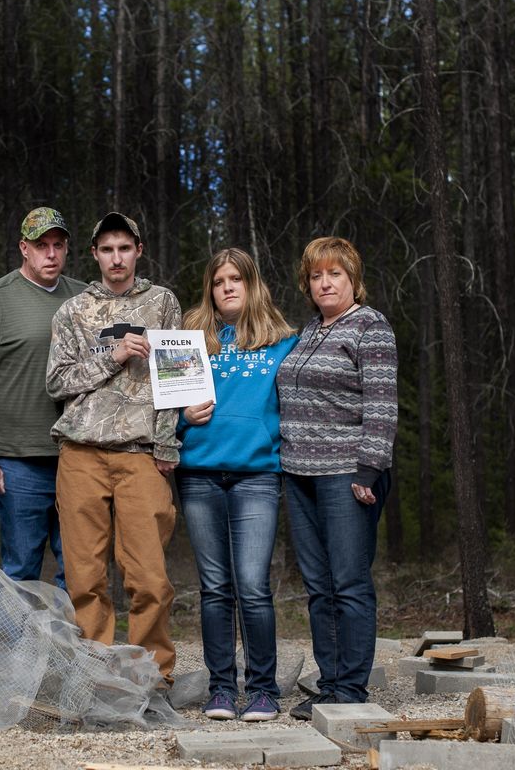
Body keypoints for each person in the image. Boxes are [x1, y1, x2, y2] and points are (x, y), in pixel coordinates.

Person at [46, 211, 182, 682]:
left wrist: (167, 443)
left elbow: (175, 378)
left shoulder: (162, 302)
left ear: (138, 251)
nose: (116, 257)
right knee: (84, 576)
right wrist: (115, 355)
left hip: (140, 454)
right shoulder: (73, 310)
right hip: (81, 453)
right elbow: (57, 380)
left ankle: (154, 675)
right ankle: (93, 676)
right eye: (107, 249)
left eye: (125, 248)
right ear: (95, 255)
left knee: (148, 575)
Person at [276, 236, 398, 719]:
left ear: (353, 279)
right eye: (316, 275)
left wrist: (370, 467)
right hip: (299, 474)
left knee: (348, 582)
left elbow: (382, 403)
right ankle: (329, 686)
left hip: (348, 474)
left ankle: (351, 690)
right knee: (319, 585)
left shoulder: (371, 327)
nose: (325, 282)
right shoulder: (310, 330)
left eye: (335, 274)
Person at [176, 248, 298, 722]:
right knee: (214, 587)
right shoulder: (189, 342)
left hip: (256, 477)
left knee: (252, 586)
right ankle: (221, 688)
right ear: (209, 289)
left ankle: (263, 690)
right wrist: (183, 421)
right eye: (218, 280)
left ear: (252, 285)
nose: (227, 287)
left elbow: (298, 409)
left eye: (236, 279)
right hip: (200, 473)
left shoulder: (283, 342)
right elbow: (163, 411)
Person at [0, 207, 87, 589]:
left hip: (77, 456)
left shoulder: (84, 299)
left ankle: (67, 650)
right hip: (18, 462)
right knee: (20, 571)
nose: (51, 254)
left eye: (58, 245)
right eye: (41, 245)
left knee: (79, 568)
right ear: (23, 249)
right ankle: (15, 651)